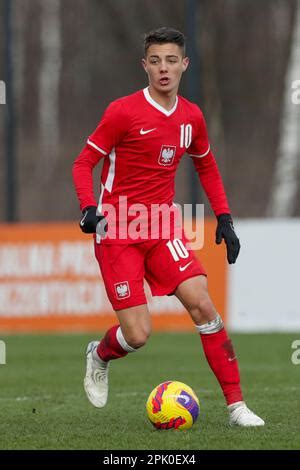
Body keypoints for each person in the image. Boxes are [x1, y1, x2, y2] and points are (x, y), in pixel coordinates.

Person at [72, 27, 264, 427]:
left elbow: (206, 164)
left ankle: (237, 407)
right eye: (156, 60)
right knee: (138, 335)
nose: (164, 68)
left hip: (162, 228)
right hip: (118, 232)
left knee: (203, 305)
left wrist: (224, 217)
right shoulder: (122, 112)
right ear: (144, 65)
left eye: (171, 60)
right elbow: (82, 163)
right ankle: (100, 354)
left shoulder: (191, 116)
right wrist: (89, 207)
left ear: (184, 65)